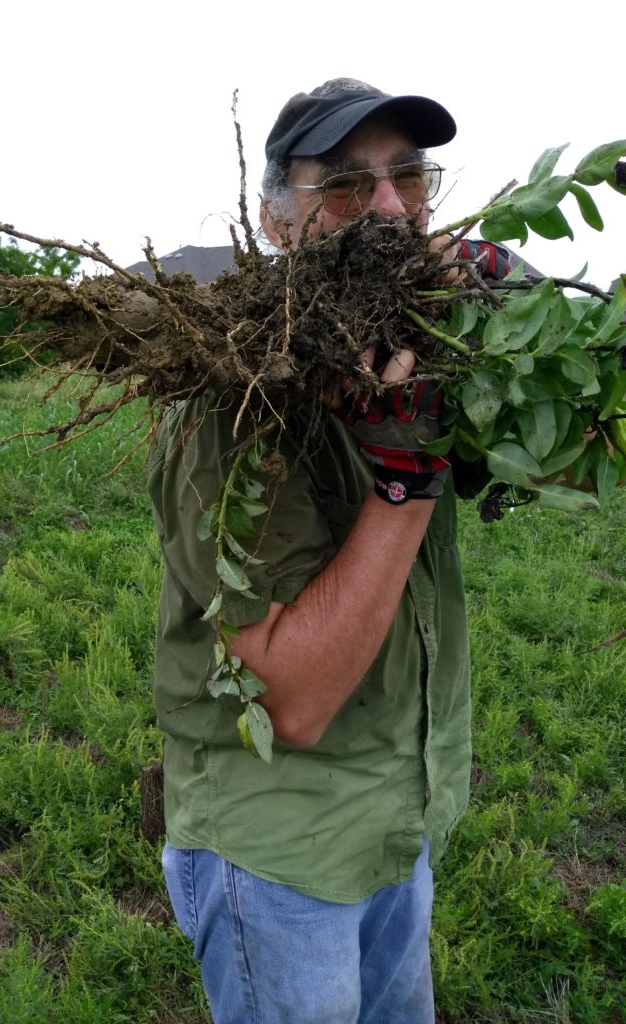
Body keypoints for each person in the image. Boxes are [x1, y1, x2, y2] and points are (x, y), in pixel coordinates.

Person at [147, 78, 507, 1024]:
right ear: (277, 220)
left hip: (397, 815)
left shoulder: (417, 351)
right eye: (346, 186)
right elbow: (293, 703)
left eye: (408, 177)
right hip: (280, 852)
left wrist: (541, 326)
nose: (389, 208)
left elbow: (580, 465)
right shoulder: (235, 404)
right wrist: (402, 479)